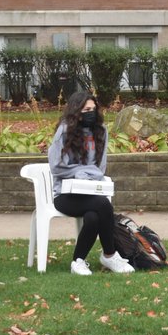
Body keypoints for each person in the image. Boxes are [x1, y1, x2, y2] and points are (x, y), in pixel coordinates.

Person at [48, 91, 134, 275]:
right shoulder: (64, 131)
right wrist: (80, 172)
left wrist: (86, 174)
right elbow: (56, 167)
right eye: (87, 109)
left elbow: (100, 169)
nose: (91, 113)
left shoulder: (100, 131)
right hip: (65, 194)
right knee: (103, 204)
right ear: (76, 111)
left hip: (90, 192)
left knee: (93, 217)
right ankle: (110, 254)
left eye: (94, 109)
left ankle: (78, 262)